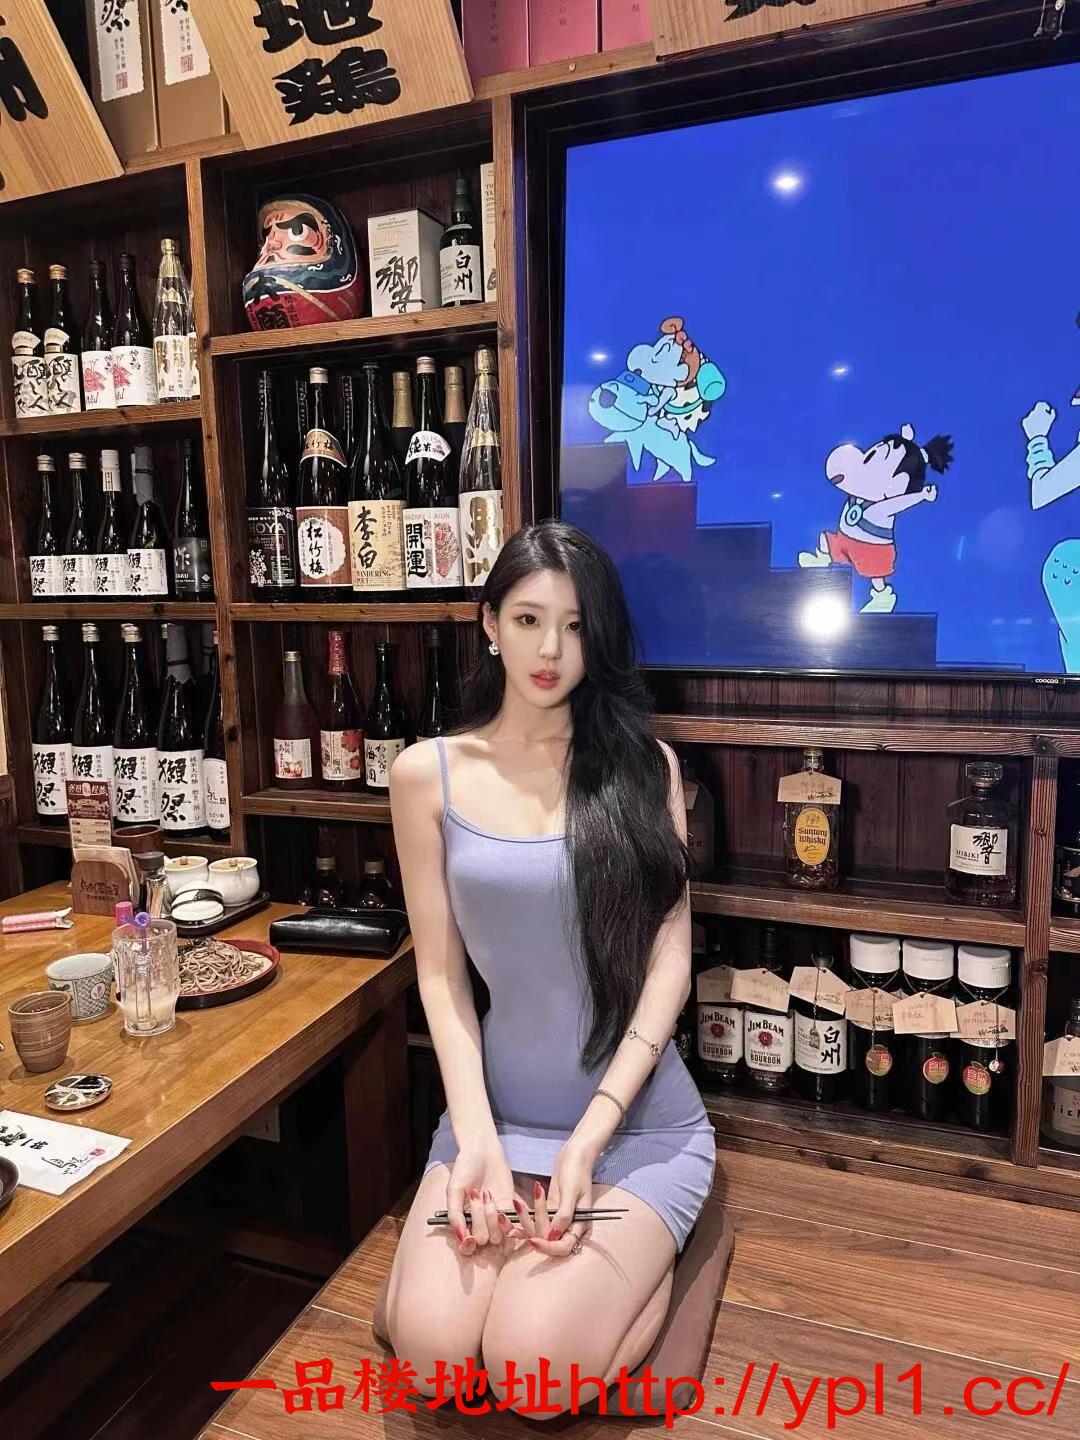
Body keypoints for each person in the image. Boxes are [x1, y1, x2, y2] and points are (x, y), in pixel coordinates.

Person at [384, 518, 716, 1419]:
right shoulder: (425, 776)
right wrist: (476, 1141)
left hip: (633, 1129)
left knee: (533, 1380)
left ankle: (655, 1269)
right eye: (529, 620)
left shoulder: (644, 769)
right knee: (434, 1364)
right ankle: (518, 1291)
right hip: (493, 1120)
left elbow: (670, 962)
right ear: (489, 622)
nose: (550, 650)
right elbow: (441, 977)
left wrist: (587, 1142)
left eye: (575, 626)